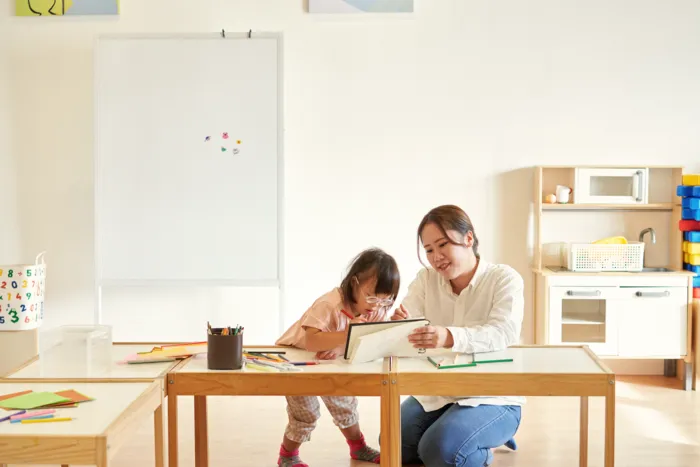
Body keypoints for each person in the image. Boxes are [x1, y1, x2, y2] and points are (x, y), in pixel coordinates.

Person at [390, 205, 525, 467]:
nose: (436, 256)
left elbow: (504, 332)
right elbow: (410, 319)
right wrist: (402, 323)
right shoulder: (426, 279)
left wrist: (449, 336)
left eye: (442, 245)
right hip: (441, 391)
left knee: (439, 450)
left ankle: (485, 442)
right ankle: (465, 433)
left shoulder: (504, 278)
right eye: (429, 250)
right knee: (394, 445)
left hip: (493, 395)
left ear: (468, 239)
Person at [275, 247, 401, 467]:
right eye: (371, 297)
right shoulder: (330, 304)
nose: (376, 306)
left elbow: (370, 338)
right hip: (298, 360)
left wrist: (395, 324)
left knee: (345, 404)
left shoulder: (377, 309)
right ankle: (287, 455)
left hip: (330, 360)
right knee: (306, 414)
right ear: (354, 283)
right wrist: (345, 336)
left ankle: (358, 447)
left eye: (385, 301)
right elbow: (312, 341)